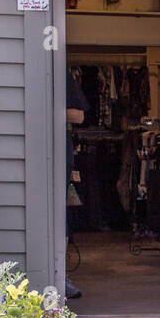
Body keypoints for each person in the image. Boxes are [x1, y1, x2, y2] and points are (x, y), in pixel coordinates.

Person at [65, 70, 89, 300]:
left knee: (60, 210)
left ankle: (58, 273)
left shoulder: (63, 74)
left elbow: (78, 116)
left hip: (59, 149)